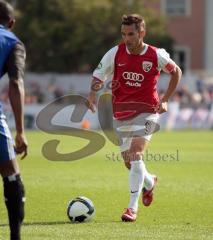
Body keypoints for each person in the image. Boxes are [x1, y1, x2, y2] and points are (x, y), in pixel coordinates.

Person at [87, 14, 182, 222]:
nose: (126, 39)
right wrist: (93, 94)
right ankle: (149, 182)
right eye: (123, 34)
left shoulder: (157, 55)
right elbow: (98, 75)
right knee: (130, 163)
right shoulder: (115, 53)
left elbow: (176, 72)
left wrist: (165, 99)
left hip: (148, 111)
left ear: (142, 33)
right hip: (121, 113)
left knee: (135, 153)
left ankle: (132, 207)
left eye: (131, 34)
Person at [0, 1, 28, 239]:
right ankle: (15, 237)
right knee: (10, 170)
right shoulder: (11, 42)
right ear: (11, 23)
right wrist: (20, 130)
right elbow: (15, 83)